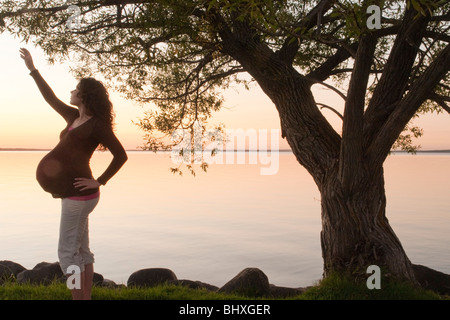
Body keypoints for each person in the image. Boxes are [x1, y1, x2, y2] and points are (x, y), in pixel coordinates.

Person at [20, 48, 128, 300]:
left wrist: (99, 180)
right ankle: (85, 297)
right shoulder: (72, 116)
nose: (71, 92)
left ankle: (77, 298)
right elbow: (50, 97)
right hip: (76, 195)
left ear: (84, 95)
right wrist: (33, 69)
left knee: (67, 253)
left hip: (79, 196)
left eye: (75, 88)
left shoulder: (97, 125)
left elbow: (121, 155)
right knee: (82, 250)